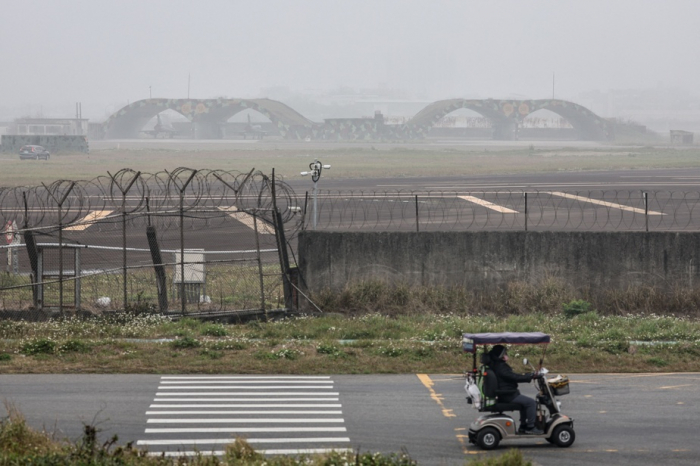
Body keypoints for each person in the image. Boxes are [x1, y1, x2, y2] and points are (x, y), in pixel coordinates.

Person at [488, 344, 543, 435]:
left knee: (524, 403)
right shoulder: (501, 367)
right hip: (508, 395)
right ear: (500, 355)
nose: (506, 355)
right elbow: (513, 377)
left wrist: (528, 375)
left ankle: (523, 426)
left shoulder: (497, 365)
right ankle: (531, 427)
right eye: (505, 353)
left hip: (507, 393)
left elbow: (513, 375)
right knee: (531, 403)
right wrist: (529, 376)